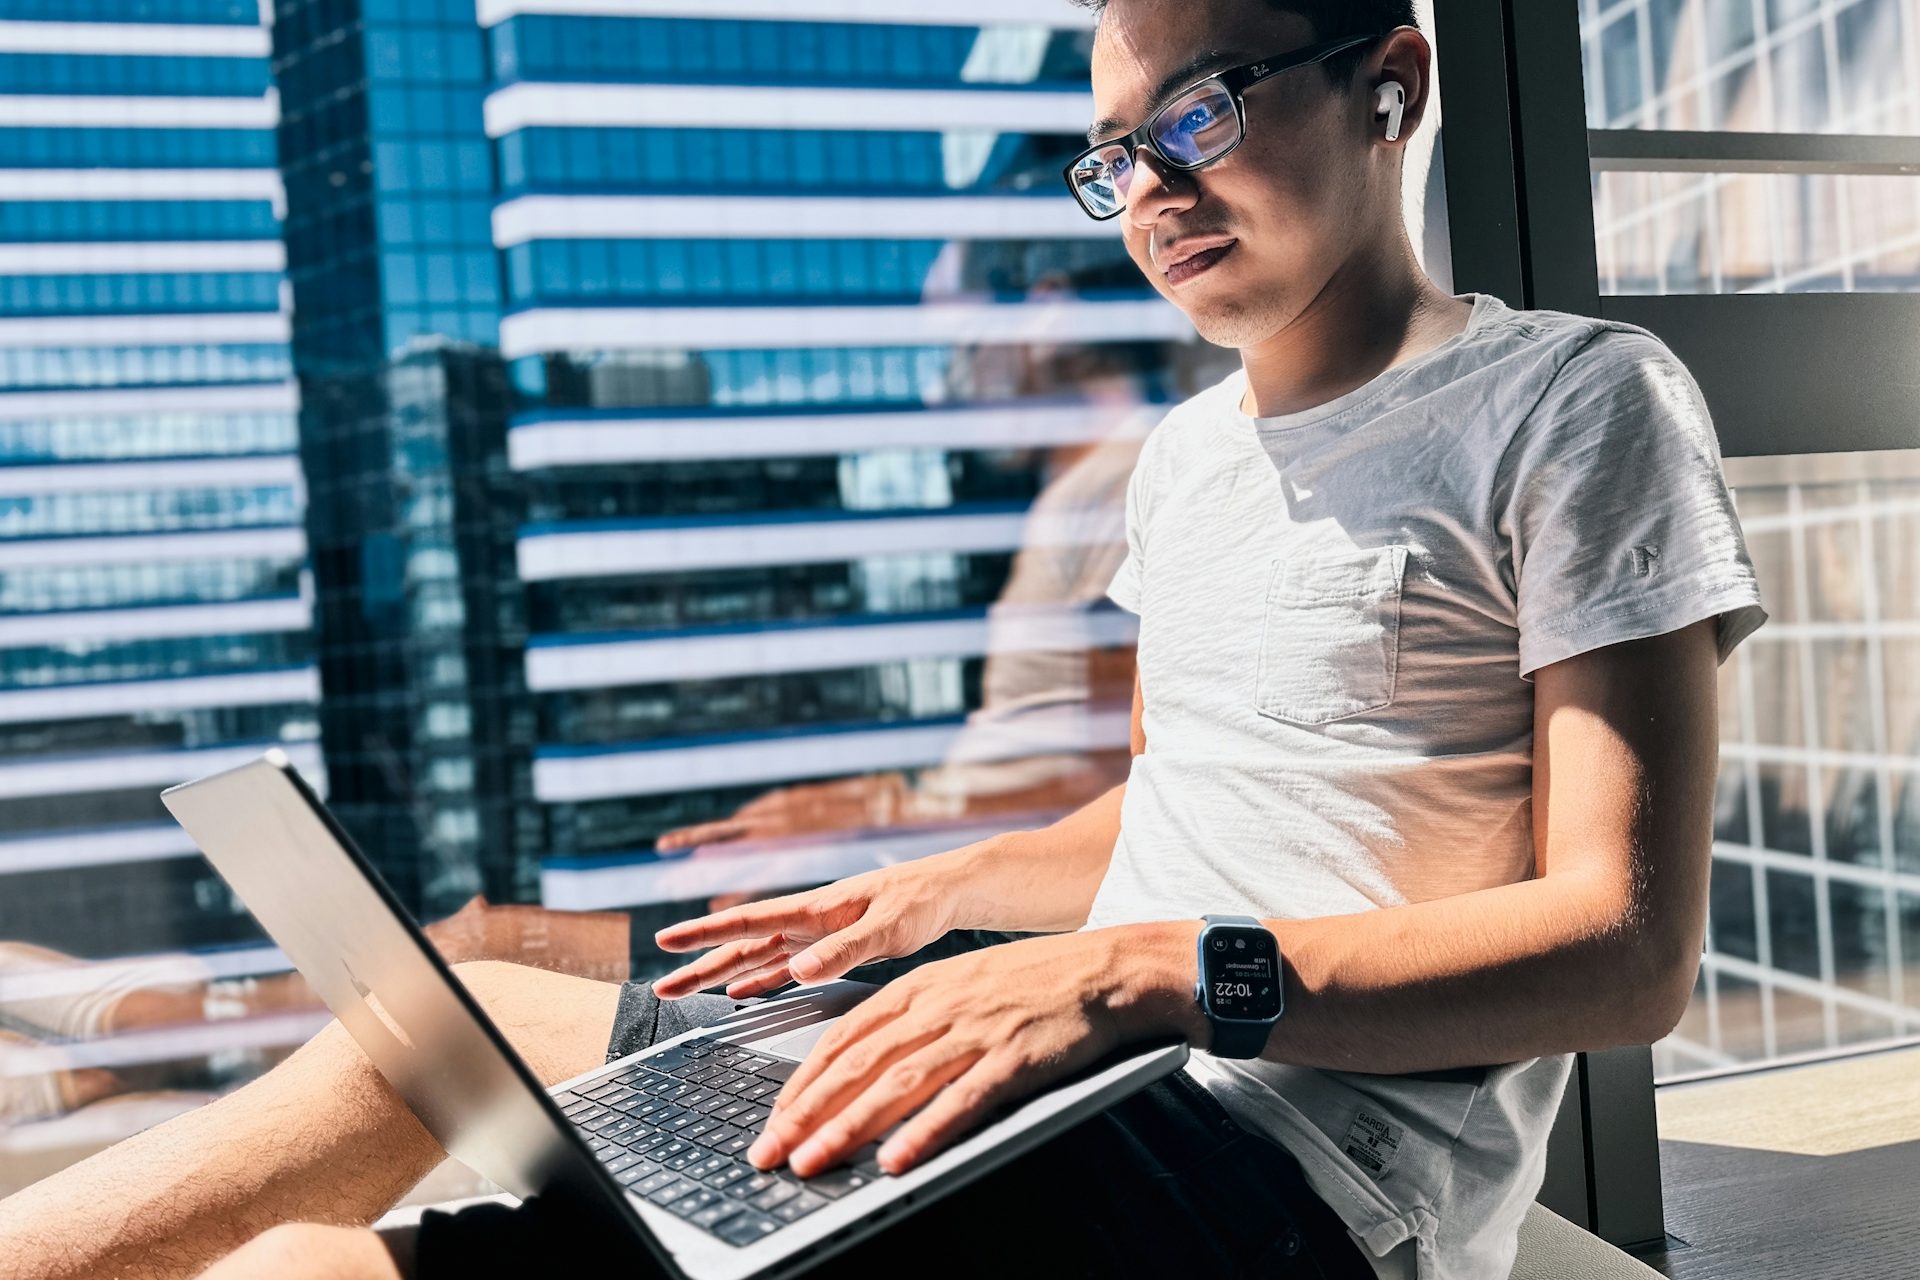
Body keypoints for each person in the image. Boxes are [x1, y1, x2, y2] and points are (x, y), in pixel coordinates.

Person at [0, 1, 1768, 1277]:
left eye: (1201, 114)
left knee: (313, 1271)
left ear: (1391, 82)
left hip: (1301, 1165)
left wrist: (1130, 972)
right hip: (1086, 1064)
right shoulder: (1185, 458)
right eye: (1116, 154)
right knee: (415, 1032)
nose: (1151, 186)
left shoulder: (1575, 403)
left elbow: (1624, 956)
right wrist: (949, 890)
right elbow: (1167, 803)